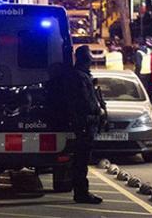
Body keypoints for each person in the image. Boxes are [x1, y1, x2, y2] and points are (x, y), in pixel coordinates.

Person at [67, 45, 105, 204]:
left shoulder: (81, 75)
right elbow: (86, 101)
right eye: (89, 57)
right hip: (84, 123)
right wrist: (98, 111)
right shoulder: (79, 77)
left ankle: (81, 191)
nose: (90, 60)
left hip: (85, 122)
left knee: (81, 160)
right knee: (81, 161)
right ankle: (81, 193)